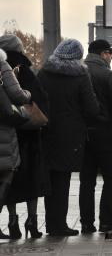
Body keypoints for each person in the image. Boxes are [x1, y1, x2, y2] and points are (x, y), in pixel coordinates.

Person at [38, 39, 99, 236]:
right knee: (63, 179)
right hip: (71, 134)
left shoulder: (44, 73)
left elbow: (36, 100)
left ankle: (51, 223)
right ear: (77, 56)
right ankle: (59, 225)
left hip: (46, 131)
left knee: (51, 179)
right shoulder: (80, 75)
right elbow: (92, 108)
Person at [79, 39, 112, 233]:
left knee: (87, 181)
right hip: (107, 133)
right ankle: (106, 221)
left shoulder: (79, 71)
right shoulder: (107, 75)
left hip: (84, 135)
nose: (111, 57)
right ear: (103, 54)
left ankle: (86, 223)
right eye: (110, 53)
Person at [0, 34, 50, 239]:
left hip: (6, 132)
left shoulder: (4, 67)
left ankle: (12, 221)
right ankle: (32, 220)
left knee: (9, 182)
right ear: (19, 49)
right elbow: (38, 99)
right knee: (32, 179)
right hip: (28, 134)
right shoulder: (25, 70)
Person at [0, 47, 32, 239]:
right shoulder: (3, 65)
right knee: (4, 178)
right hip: (3, 131)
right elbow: (18, 95)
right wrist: (28, 94)